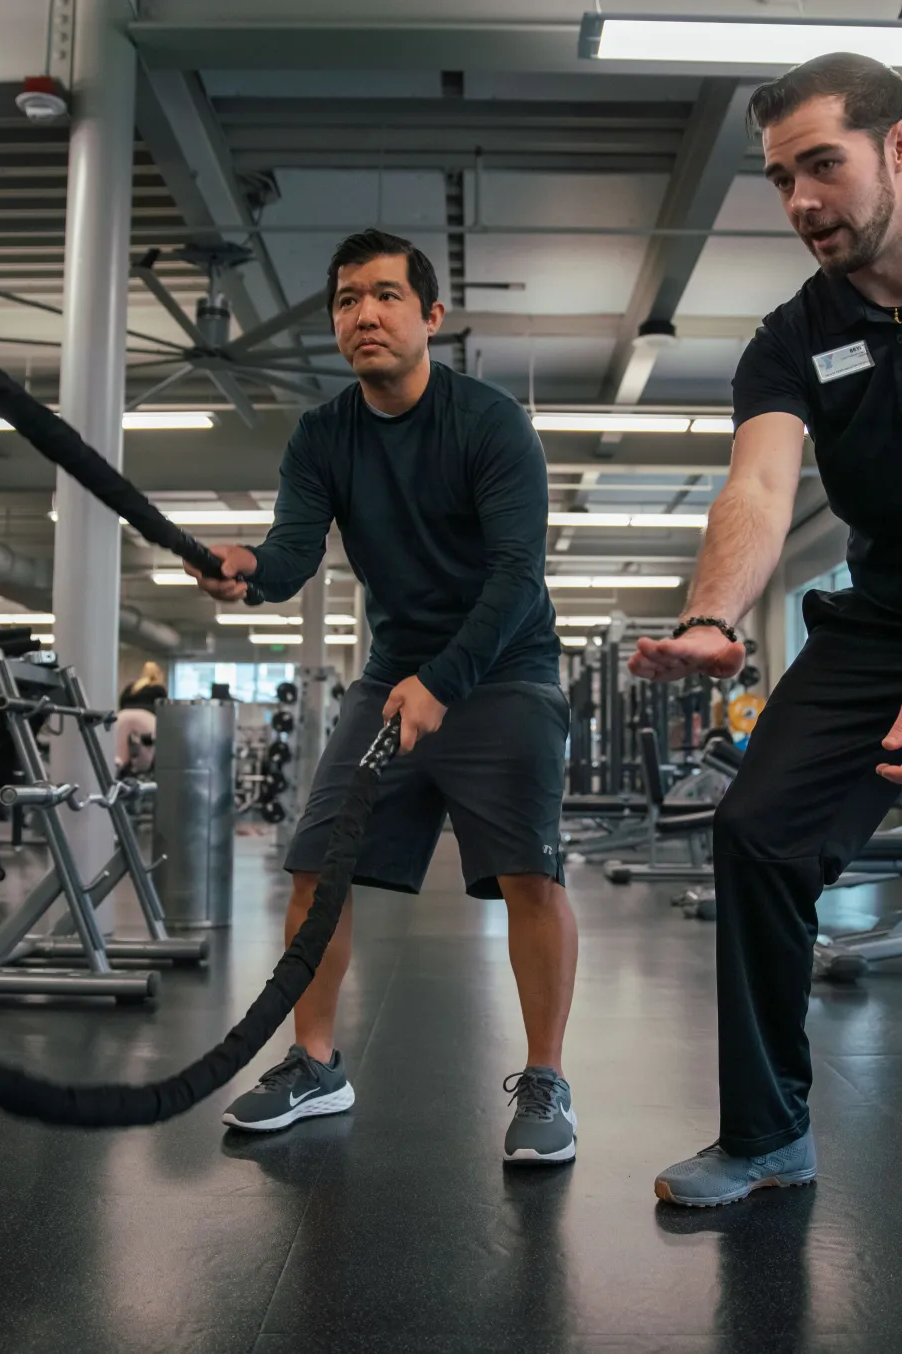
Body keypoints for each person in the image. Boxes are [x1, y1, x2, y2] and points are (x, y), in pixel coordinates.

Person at [187, 228, 579, 1164]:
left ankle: (547, 1079)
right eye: (346, 299)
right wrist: (248, 569)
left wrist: (443, 682)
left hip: (507, 667)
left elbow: (517, 576)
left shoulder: (490, 424)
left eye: (386, 295)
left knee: (529, 876)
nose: (364, 313)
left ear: (431, 315)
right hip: (394, 670)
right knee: (316, 865)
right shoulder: (324, 435)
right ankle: (316, 1065)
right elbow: (292, 552)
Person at [629, 52, 902, 1207]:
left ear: (898, 149)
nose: (798, 201)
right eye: (781, 177)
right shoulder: (793, 336)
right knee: (756, 830)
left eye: (821, 166)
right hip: (879, 615)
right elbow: (755, 486)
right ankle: (765, 1134)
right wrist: (711, 614)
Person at [116, 661, 166, 776]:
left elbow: (121, 703)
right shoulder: (158, 688)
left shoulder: (131, 687)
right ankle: (142, 776)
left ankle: (118, 777)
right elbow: (163, 710)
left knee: (120, 758)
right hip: (146, 718)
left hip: (123, 716)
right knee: (146, 760)